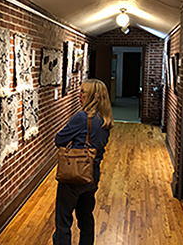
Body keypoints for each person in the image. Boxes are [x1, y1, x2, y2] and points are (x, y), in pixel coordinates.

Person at [53, 79, 113, 245]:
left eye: (82, 92)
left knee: (63, 221)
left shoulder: (82, 118)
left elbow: (59, 139)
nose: (79, 95)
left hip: (75, 174)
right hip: (92, 175)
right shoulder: (105, 120)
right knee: (85, 216)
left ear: (93, 96)